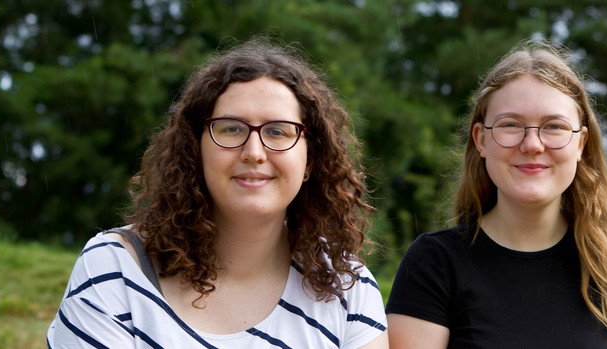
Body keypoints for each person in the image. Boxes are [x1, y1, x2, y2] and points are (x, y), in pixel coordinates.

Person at [47, 38, 388, 349]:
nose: (254, 152)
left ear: (310, 159)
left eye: (278, 132)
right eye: (231, 129)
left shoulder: (348, 288)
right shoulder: (114, 269)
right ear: (195, 149)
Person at [386, 40, 607, 349]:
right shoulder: (434, 263)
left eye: (553, 126)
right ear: (481, 140)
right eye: (511, 125)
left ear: (581, 144)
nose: (532, 145)